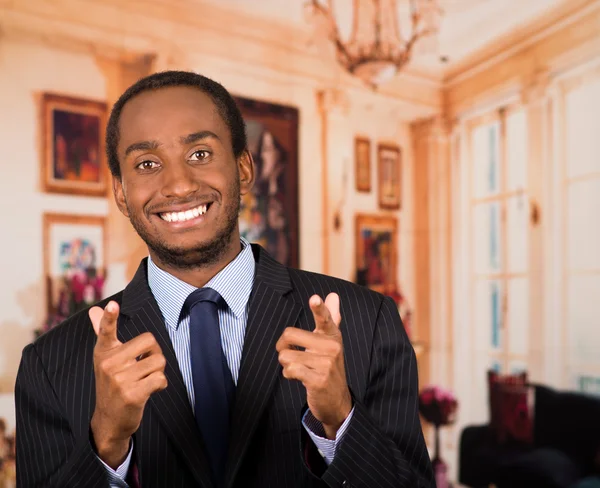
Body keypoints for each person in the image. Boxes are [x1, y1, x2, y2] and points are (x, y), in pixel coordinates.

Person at [15, 70, 434, 488]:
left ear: (244, 168)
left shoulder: (369, 321)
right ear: (122, 193)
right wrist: (105, 443)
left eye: (199, 153)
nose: (178, 185)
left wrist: (342, 421)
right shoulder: (50, 365)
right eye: (147, 163)